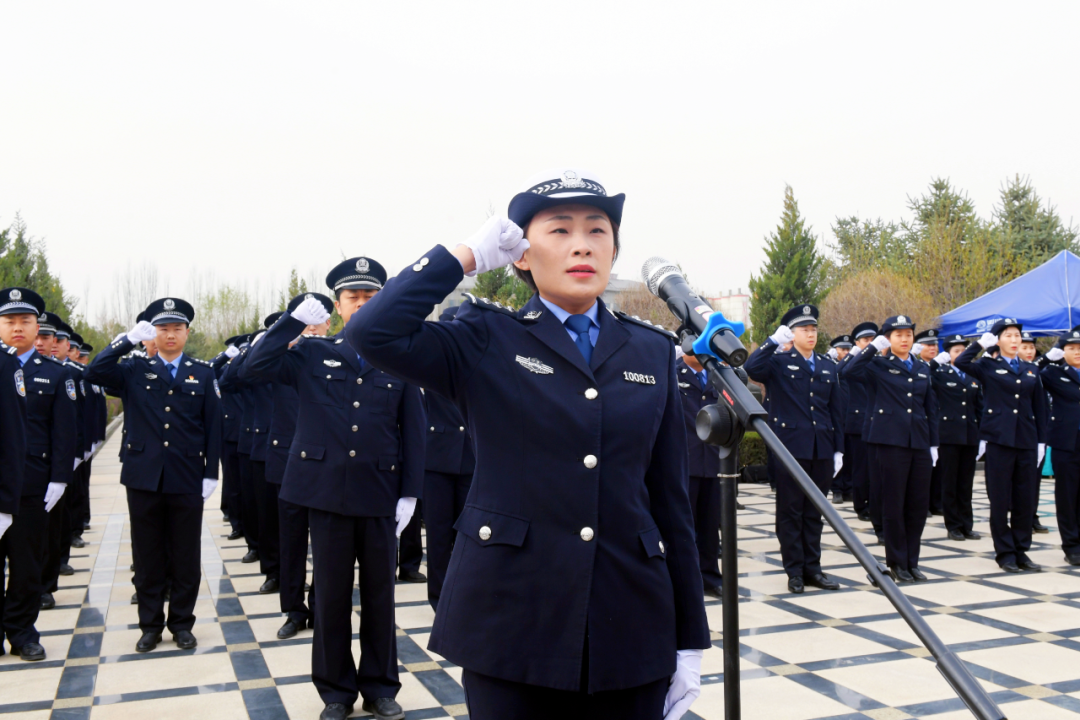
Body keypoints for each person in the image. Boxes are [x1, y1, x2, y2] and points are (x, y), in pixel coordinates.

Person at [349, 168, 710, 720]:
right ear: (520, 255)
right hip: (512, 619)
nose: (582, 245)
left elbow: (669, 502)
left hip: (631, 621)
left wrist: (689, 639)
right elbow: (371, 332)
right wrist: (464, 256)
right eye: (559, 230)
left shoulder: (650, 349)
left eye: (597, 230)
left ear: (614, 250)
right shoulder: (485, 337)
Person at [245, 258, 423, 720]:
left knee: (381, 596)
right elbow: (254, 366)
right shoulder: (311, 352)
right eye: (352, 298)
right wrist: (291, 322)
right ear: (338, 306)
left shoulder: (400, 356)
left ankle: (381, 687)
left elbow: (413, 428)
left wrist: (410, 492)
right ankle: (336, 692)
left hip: (380, 493)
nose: (361, 304)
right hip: (325, 493)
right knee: (330, 596)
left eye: (370, 297)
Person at [85, 297, 222, 651]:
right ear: (152, 334)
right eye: (163, 329)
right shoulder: (133, 369)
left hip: (187, 475)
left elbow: (213, 426)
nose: (170, 335)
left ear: (187, 333)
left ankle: (182, 623)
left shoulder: (203, 373)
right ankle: (150, 625)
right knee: (147, 555)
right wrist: (126, 340)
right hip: (143, 475)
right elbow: (94, 371)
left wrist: (211, 472)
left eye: (177, 328)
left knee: (186, 554)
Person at [241, 292, 333, 639]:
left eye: (317, 320)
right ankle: (294, 610)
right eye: (305, 320)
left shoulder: (338, 353)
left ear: (329, 323)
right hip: (289, 460)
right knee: (291, 540)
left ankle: (321, 607)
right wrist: (287, 329)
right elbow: (246, 369)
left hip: (328, 463)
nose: (312, 327)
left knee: (327, 544)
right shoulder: (284, 356)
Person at [746, 305, 844, 594]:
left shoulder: (827, 365)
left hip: (821, 448)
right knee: (790, 512)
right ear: (791, 333)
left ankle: (813, 569)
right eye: (804, 330)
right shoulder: (778, 362)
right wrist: (771, 341)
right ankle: (794, 571)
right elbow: (751, 368)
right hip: (790, 448)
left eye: (814, 329)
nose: (811, 334)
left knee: (815, 511)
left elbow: (836, 410)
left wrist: (838, 449)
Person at [0, 289, 74, 661]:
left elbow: (64, 431)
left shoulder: (55, 373)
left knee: (27, 564)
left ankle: (22, 632)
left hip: (33, 483)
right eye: (9, 321)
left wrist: (59, 478)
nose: (17, 328)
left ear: (36, 327)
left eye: (25, 322)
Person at [843, 316, 939, 583]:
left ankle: (912, 562)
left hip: (919, 442)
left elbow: (930, 407)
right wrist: (872, 347)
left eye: (908, 334)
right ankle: (897, 562)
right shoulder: (877, 365)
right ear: (887, 339)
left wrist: (933, 443)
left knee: (917, 505)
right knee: (894, 504)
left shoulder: (921, 367)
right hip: (890, 442)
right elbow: (848, 372)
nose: (905, 339)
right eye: (898, 335)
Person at [955, 318, 1047, 573]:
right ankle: (1005, 553)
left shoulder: (1030, 369)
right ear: (997, 340)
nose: (1015, 340)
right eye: (1008, 335)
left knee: (1024, 499)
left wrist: (1041, 441)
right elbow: (961, 362)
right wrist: (979, 345)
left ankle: (1021, 551)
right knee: (999, 499)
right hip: (999, 440)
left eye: (1017, 335)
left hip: (1026, 440)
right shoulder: (987, 365)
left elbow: (1040, 407)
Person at [417, 307, 475, 609]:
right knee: (438, 535)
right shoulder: (430, 365)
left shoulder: (482, 364)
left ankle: (468, 597)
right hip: (437, 461)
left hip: (473, 460)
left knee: (471, 535)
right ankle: (439, 600)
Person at [222, 315, 280, 594]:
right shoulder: (259, 363)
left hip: (303, 445)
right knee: (264, 511)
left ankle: (295, 575)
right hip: (262, 444)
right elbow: (228, 379)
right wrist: (251, 349)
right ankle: (272, 568)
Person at [40, 314, 85, 610]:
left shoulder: (63, 374)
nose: (42, 342)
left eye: (48, 338)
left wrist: (70, 461)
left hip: (47, 464)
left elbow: (70, 424)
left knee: (49, 527)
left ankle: (45, 584)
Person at [676, 347, 723, 599]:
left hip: (713, 461)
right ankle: (685, 579)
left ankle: (710, 577)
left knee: (710, 525)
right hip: (683, 461)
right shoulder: (672, 373)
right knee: (683, 526)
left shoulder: (720, 374)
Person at [929, 335, 983, 542]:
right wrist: (935, 363)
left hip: (970, 435)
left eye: (963, 351)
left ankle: (967, 525)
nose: (960, 355)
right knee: (949, 483)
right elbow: (923, 374)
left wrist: (982, 435)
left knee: (966, 484)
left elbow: (980, 406)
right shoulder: (940, 374)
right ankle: (953, 526)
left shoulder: (972, 375)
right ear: (948, 354)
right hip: (948, 435)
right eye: (956, 351)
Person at [1039, 333, 1080, 565]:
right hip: (1067, 442)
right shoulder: (1054, 373)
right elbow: (1031, 373)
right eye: (1071, 348)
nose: (1077, 351)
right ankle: (1072, 545)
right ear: (1062, 351)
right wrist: (1047, 358)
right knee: (1067, 495)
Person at [840, 323, 878, 525]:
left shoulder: (879, 361)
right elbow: (840, 371)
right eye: (866, 340)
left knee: (876, 467)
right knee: (861, 468)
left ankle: (874, 502)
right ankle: (861, 504)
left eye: (873, 340)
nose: (870, 343)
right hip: (859, 421)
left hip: (878, 422)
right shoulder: (853, 362)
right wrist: (853, 354)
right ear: (857, 343)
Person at [213, 334, 248, 542]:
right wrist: (224, 357)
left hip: (252, 433)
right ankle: (237, 523)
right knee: (233, 483)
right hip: (231, 433)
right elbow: (210, 371)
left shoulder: (256, 370)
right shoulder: (225, 372)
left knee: (251, 484)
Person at [827, 334, 853, 504]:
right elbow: (837, 371)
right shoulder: (831, 365)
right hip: (836, 417)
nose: (846, 352)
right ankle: (836, 489)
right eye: (843, 349)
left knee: (850, 455)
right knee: (837, 453)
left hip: (851, 417)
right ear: (835, 350)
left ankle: (848, 488)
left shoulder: (854, 365)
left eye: (848, 349)